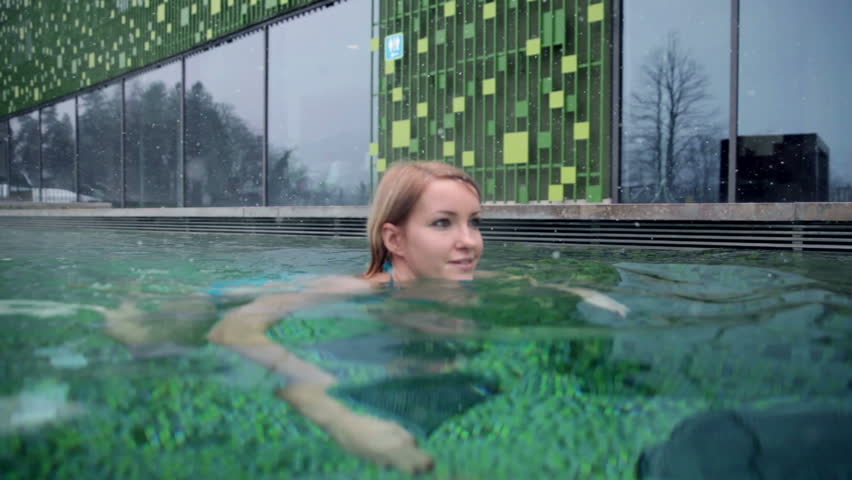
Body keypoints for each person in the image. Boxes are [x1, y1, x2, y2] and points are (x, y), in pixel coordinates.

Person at [105, 160, 628, 474]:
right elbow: (234, 328)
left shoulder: (465, 281)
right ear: (395, 238)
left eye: (474, 222)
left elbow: (529, 283)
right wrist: (325, 401)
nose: (469, 242)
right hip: (220, 299)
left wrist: (580, 290)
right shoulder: (350, 291)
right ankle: (126, 311)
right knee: (146, 342)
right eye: (444, 224)